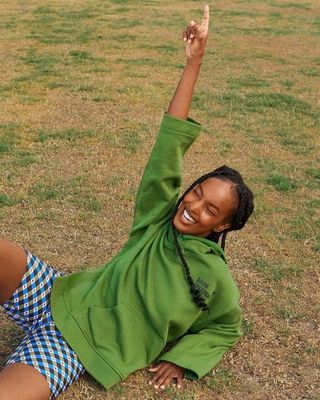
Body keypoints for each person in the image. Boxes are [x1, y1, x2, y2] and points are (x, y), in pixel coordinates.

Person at [0, 5, 254, 400]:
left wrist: (185, 358)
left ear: (222, 226)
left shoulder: (213, 277)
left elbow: (226, 327)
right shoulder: (159, 218)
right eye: (197, 192)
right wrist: (194, 63)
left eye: (211, 210)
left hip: (74, 349)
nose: (194, 207)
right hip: (58, 294)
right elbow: (169, 145)